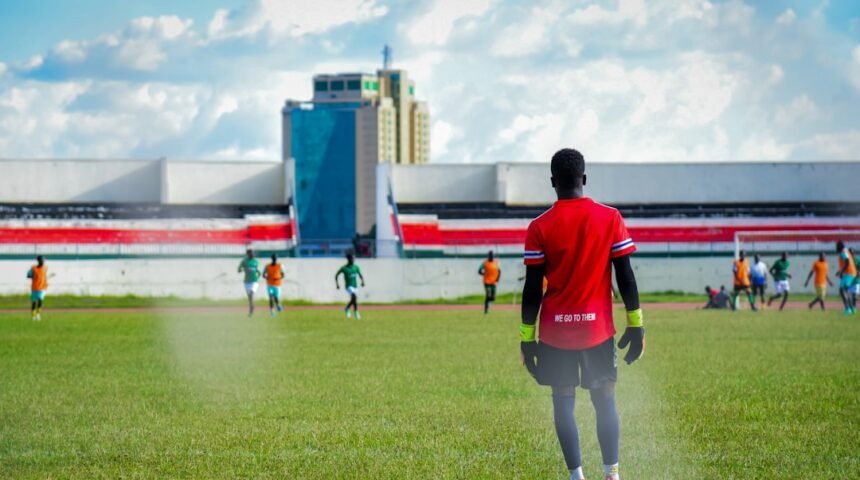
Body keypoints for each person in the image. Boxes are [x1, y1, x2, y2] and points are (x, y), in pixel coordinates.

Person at [520, 148, 643, 480]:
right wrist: (636, 325)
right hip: (597, 330)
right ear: (584, 178)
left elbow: (532, 289)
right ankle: (612, 474)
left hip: (555, 333)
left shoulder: (539, 226)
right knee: (605, 401)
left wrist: (527, 339)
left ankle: (576, 476)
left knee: (563, 402)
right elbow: (626, 276)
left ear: (552, 182)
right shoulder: (610, 218)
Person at [336, 252, 365, 319]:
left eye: (354, 258)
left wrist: (363, 281)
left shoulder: (356, 267)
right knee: (354, 297)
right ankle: (356, 312)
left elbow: (360, 275)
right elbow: (336, 275)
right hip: (348, 286)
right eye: (352, 258)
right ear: (348, 259)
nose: (353, 260)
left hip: (355, 286)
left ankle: (347, 308)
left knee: (354, 299)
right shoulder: (344, 268)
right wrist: (337, 284)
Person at [237, 249, 261, 317]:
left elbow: (256, 269)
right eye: (251, 253)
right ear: (248, 254)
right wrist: (244, 269)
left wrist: (258, 273)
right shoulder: (244, 261)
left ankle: (251, 310)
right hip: (247, 282)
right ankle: (251, 309)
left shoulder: (256, 261)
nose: (252, 254)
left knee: (251, 294)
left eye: (253, 253)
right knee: (250, 298)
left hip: (254, 281)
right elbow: (239, 270)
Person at [836, 241, 856, 315]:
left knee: (842, 290)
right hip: (850, 273)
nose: (836, 248)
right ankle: (852, 308)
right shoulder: (846, 251)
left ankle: (847, 309)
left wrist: (841, 272)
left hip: (849, 273)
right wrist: (840, 271)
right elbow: (846, 263)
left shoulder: (843, 252)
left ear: (840, 247)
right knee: (846, 291)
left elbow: (847, 262)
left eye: (837, 246)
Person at [27, 255, 48, 321]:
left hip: (42, 287)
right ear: (38, 261)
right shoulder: (33, 268)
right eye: (42, 260)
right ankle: (33, 315)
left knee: (40, 300)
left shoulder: (45, 268)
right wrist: (32, 276)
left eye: (43, 260)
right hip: (35, 287)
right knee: (34, 302)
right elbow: (28, 275)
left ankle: (38, 314)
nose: (43, 261)